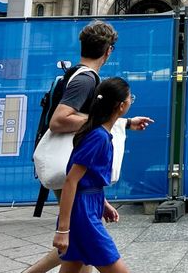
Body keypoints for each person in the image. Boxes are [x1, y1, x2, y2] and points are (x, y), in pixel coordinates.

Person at [25, 22, 153, 273]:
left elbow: (97, 119)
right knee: (77, 237)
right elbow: (60, 120)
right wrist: (104, 122)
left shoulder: (80, 75)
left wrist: (123, 122)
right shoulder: (85, 80)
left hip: (83, 183)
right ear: (109, 51)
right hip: (72, 175)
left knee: (79, 251)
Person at [53, 78, 133, 273]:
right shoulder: (99, 137)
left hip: (88, 207)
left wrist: (103, 203)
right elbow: (71, 180)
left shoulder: (97, 133)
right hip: (84, 214)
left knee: (72, 266)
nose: (131, 101)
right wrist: (62, 230)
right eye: (131, 98)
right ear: (121, 106)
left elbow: (85, 178)